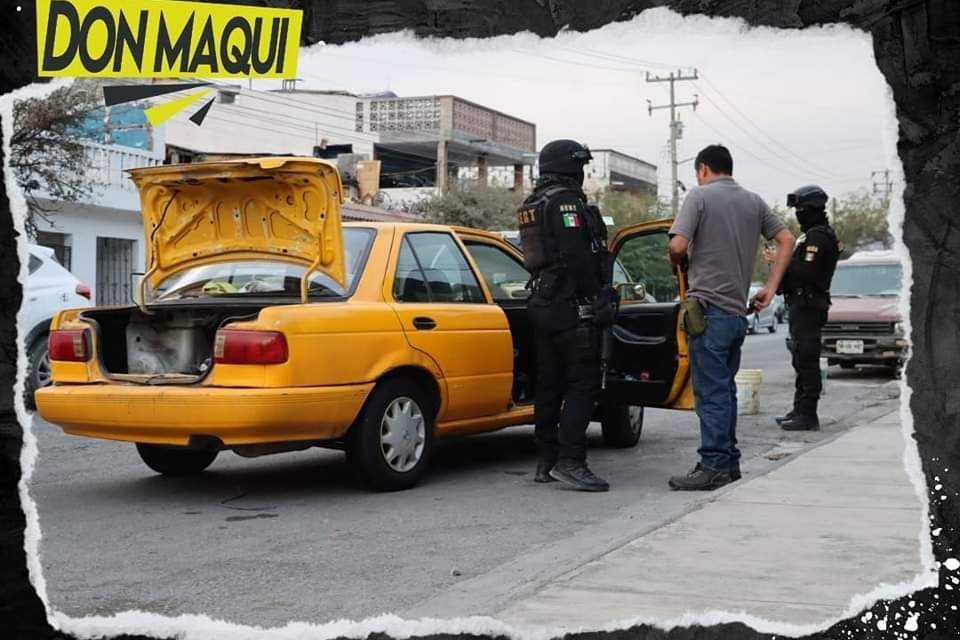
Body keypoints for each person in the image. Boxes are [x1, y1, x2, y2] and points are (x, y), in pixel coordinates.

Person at [666, 144, 795, 491]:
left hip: (707, 311)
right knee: (723, 391)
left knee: (710, 395)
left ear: (703, 169)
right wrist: (770, 286)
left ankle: (713, 465)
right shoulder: (753, 201)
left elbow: (678, 246)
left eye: (698, 173)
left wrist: (676, 259)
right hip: (738, 314)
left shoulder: (700, 196)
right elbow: (787, 238)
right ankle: (728, 462)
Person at [518, 139, 617, 492]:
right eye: (581, 166)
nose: (583, 173)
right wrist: (596, 295)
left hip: (544, 300)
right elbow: (575, 254)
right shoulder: (564, 201)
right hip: (568, 302)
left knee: (550, 383)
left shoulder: (534, 202)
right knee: (582, 381)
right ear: (568, 166)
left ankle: (546, 460)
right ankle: (571, 461)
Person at [765, 185, 840, 431]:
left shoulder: (819, 237)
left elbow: (807, 272)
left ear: (811, 209)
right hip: (800, 305)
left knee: (807, 359)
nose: (797, 215)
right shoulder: (808, 237)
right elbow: (792, 276)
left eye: (800, 210)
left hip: (810, 305)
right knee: (799, 358)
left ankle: (808, 414)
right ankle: (799, 409)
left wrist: (781, 260)